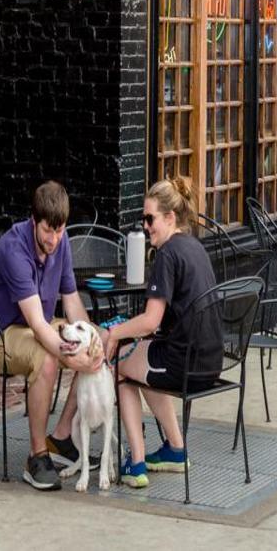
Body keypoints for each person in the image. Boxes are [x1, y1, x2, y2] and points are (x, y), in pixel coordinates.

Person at [0, 181, 103, 491]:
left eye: (60, 231)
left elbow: (71, 302)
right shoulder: (14, 249)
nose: (54, 239)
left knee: (97, 341)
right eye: (48, 231)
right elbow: (38, 325)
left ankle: (60, 436)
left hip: (33, 327)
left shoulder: (62, 240)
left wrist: (94, 340)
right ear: (34, 221)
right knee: (48, 358)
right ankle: (37, 457)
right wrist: (73, 357)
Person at [104, 177, 222, 488]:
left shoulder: (167, 254)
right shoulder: (195, 247)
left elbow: (150, 321)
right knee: (143, 361)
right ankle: (174, 449)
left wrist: (114, 333)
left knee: (119, 367)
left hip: (184, 364)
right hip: (212, 362)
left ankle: (137, 462)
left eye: (150, 218)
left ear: (170, 218)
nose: (145, 226)